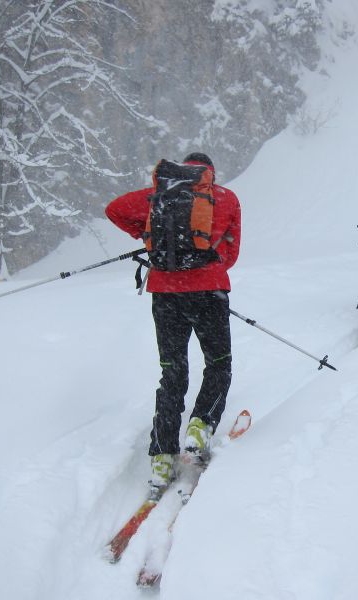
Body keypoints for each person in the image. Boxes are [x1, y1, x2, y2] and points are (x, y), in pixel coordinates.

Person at [105, 152, 241, 495]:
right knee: (218, 364)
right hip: (209, 293)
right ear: (209, 173)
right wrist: (205, 264)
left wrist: (149, 238)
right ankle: (199, 428)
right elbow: (231, 254)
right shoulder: (226, 198)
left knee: (172, 372)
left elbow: (114, 209)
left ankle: (162, 458)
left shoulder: (158, 195)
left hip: (166, 295)